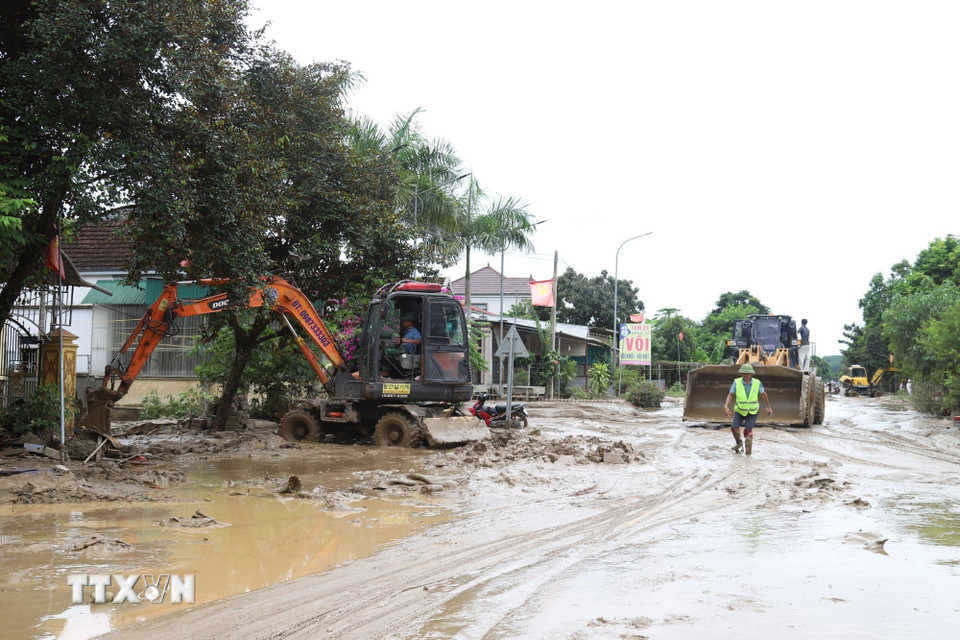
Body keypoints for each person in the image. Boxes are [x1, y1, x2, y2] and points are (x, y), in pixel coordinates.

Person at [723, 363, 773, 455]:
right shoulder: (737, 382)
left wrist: (768, 407)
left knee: (748, 433)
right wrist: (726, 406)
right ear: (741, 373)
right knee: (734, 428)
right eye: (744, 374)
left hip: (752, 411)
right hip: (740, 410)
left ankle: (748, 455)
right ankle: (739, 443)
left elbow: (764, 394)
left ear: (751, 374)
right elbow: (731, 394)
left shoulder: (757, 383)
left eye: (747, 374)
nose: (746, 375)